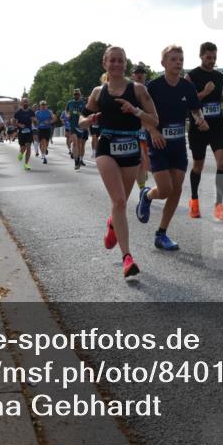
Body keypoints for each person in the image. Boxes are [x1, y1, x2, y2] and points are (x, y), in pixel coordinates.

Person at [81, 46, 159, 278]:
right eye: (112, 60)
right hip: (107, 146)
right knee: (119, 201)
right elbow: (81, 120)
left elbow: (154, 120)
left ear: (125, 64)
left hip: (131, 147)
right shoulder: (98, 92)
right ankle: (127, 258)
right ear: (105, 63)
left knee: (120, 204)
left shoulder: (138, 89)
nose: (116, 64)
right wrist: (91, 119)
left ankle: (112, 224)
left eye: (120, 60)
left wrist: (135, 111)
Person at [135, 45, 207, 251]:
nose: (178, 63)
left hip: (178, 146)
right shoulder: (153, 87)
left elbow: (195, 110)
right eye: (173, 59)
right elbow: (140, 114)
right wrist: (153, 131)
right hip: (158, 144)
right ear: (163, 63)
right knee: (165, 190)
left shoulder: (187, 87)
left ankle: (161, 234)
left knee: (176, 189)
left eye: (181, 59)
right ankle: (147, 195)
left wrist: (200, 120)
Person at [186, 42, 223, 221]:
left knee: (222, 163)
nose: (212, 61)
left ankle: (219, 205)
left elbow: (215, 98)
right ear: (201, 56)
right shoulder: (191, 76)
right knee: (198, 166)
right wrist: (204, 92)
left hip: (217, 125)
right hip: (198, 125)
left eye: (214, 57)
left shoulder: (220, 77)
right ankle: (194, 201)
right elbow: (188, 102)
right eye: (208, 57)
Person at [132, 64, 151, 190]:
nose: (139, 75)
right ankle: (142, 190)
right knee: (140, 157)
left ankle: (145, 169)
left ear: (145, 75)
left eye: (141, 72)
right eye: (137, 72)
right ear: (133, 75)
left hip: (150, 126)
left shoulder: (151, 88)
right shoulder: (128, 89)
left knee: (146, 157)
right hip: (135, 127)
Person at [66, 89, 90, 170]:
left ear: (80, 95)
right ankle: (76, 161)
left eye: (78, 94)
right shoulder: (70, 103)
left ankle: (79, 158)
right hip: (73, 125)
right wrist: (68, 115)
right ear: (73, 95)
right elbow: (66, 110)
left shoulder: (84, 103)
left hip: (81, 126)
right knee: (75, 143)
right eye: (75, 94)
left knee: (79, 144)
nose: (76, 96)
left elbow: (88, 113)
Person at [14, 97, 36, 171]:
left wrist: (34, 120)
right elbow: (14, 122)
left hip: (29, 132)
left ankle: (26, 164)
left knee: (28, 147)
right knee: (23, 148)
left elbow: (35, 122)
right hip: (21, 132)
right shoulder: (18, 112)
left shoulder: (31, 112)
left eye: (27, 101)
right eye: (24, 102)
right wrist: (20, 125)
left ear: (28, 103)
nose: (25, 103)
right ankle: (21, 153)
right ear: (21, 103)